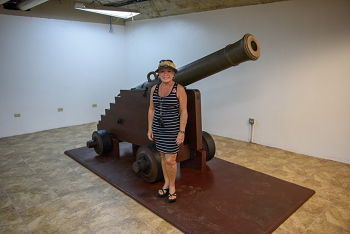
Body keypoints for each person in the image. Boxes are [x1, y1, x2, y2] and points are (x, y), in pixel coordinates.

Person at [147, 60, 188, 203]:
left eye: (169, 71)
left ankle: (172, 187)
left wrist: (181, 132)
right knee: (163, 157)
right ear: (158, 74)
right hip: (159, 129)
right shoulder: (154, 89)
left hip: (173, 130)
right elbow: (152, 109)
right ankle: (166, 182)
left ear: (173, 74)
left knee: (171, 160)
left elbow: (184, 112)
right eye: (163, 72)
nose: (166, 74)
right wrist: (150, 128)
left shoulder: (179, 89)